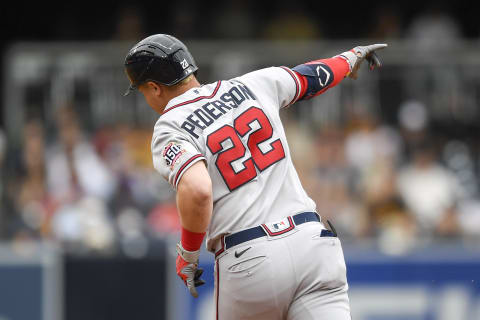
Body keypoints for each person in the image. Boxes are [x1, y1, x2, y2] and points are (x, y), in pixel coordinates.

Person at [124, 34, 386, 320]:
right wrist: (350, 58)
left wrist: (188, 253)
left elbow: (198, 190)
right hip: (312, 244)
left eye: (142, 90)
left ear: (153, 87)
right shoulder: (253, 84)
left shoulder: (170, 126)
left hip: (251, 257)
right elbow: (314, 76)